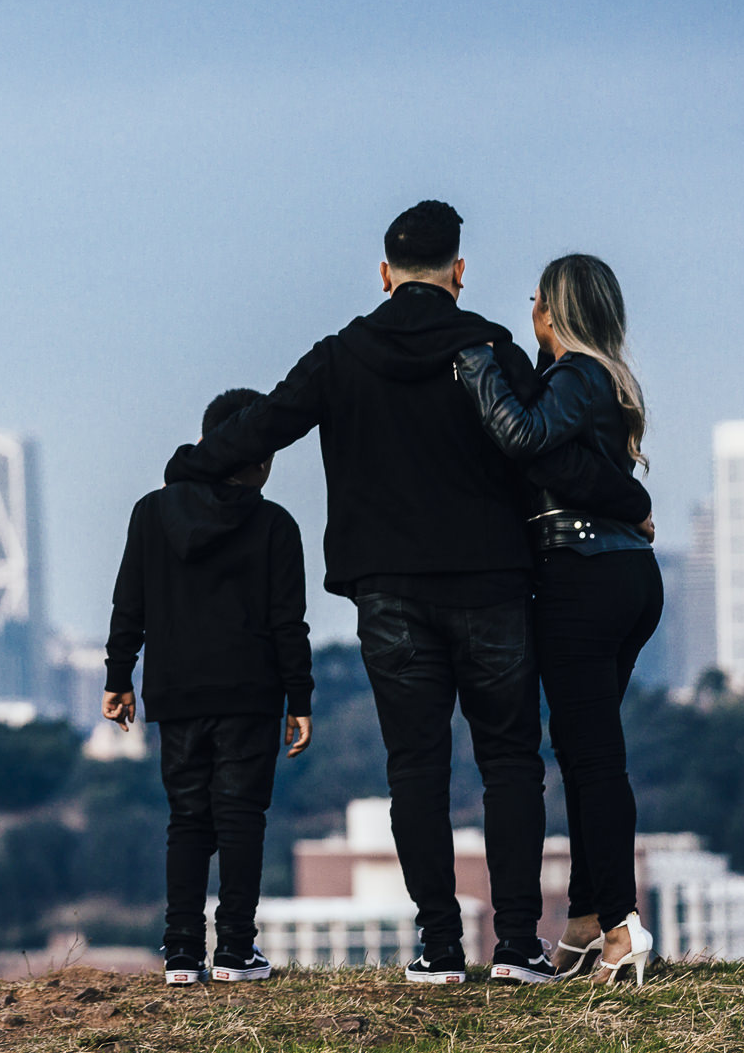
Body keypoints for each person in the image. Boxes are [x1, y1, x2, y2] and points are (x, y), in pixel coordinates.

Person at [165, 200, 651, 985]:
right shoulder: (490, 347)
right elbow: (547, 455)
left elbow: (263, 427)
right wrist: (628, 499)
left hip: (389, 594)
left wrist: (186, 467)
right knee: (510, 761)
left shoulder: (339, 356)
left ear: (386, 274)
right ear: (459, 272)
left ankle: (439, 946)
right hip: (493, 584)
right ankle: (519, 944)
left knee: (416, 767)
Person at [455, 253, 661, 986]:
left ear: (559, 311)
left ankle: (620, 926)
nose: (530, 311)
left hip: (584, 577)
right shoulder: (604, 379)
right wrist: (631, 505)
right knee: (585, 751)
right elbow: (570, 465)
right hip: (620, 576)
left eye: (538, 299)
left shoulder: (576, 376)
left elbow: (523, 438)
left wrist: (478, 371)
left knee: (593, 758)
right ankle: (584, 917)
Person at [105, 387, 314, 987]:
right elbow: (287, 623)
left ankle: (179, 954)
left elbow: (130, 603)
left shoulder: (152, 512)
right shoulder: (274, 524)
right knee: (242, 816)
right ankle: (235, 952)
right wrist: (299, 698)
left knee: (188, 819)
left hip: (176, 693)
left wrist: (120, 676)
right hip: (250, 692)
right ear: (253, 454)